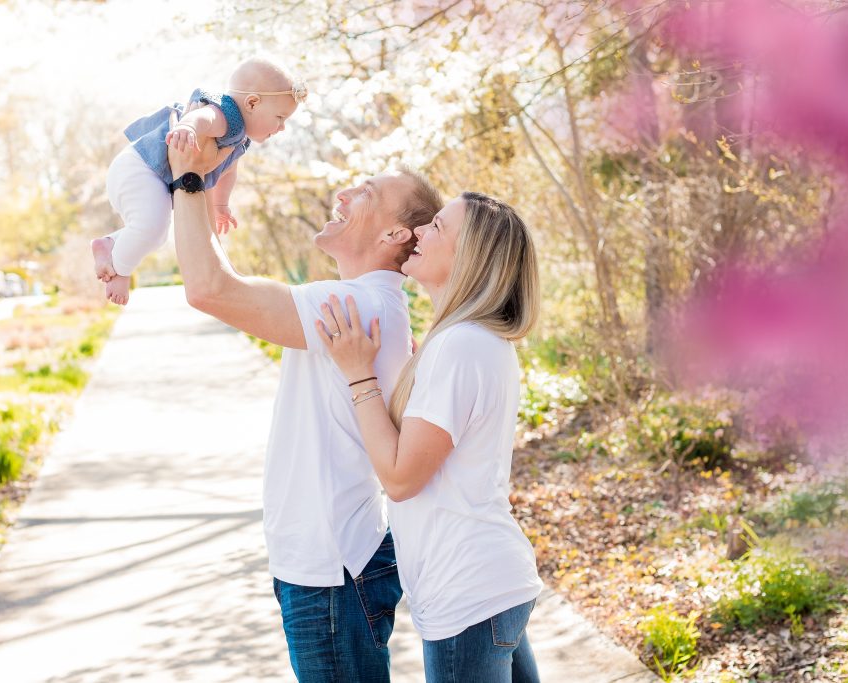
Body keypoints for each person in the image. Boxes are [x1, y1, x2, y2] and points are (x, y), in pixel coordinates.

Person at [165, 131, 444, 681]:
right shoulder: (364, 302)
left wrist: (189, 177)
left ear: (394, 232)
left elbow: (207, 289)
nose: (343, 193)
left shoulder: (354, 303)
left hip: (332, 571)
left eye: (365, 191)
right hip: (327, 563)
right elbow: (216, 284)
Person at [314, 192, 544, 683]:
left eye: (437, 227)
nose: (420, 232)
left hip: (469, 594)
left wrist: (359, 375)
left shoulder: (462, 346)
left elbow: (400, 479)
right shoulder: (469, 340)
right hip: (486, 585)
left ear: (469, 257)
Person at [91, 57, 306, 306]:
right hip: (140, 167)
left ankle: (109, 244)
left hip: (145, 175)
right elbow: (204, 117)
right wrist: (190, 127)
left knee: (157, 233)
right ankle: (120, 272)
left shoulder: (239, 139)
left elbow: (228, 173)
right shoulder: (227, 115)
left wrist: (221, 206)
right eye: (280, 117)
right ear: (252, 103)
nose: (281, 128)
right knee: (151, 227)